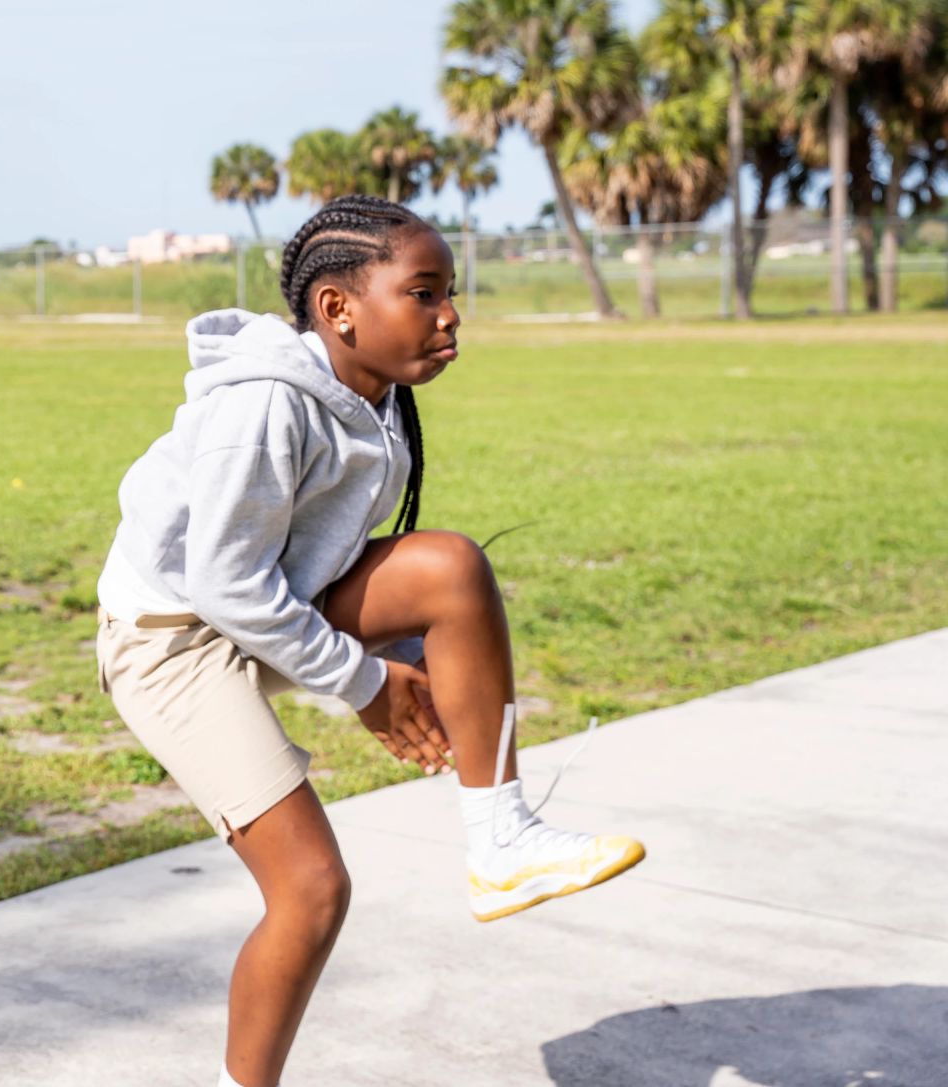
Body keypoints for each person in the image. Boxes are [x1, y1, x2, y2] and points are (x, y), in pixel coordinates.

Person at [94, 195, 644, 1087]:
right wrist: (362, 683)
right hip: (171, 642)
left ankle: (500, 837)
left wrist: (413, 672)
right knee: (311, 891)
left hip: (260, 602)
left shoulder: (374, 396)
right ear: (338, 310)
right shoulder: (269, 401)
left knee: (451, 570)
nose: (451, 313)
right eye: (423, 292)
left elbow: (311, 565)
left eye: (450, 292)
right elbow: (222, 579)